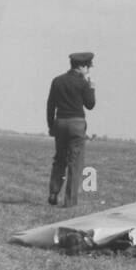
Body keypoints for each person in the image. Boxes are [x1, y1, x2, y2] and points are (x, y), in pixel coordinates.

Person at [46, 51, 96, 206]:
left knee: (59, 159)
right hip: (76, 124)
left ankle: (54, 193)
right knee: (75, 163)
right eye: (87, 67)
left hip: (60, 123)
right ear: (81, 66)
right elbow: (90, 105)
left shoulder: (57, 81)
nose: (88, 70)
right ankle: (70, 201)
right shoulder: (83, 83)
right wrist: (91, 88)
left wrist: (51, 126)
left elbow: (50, 106)